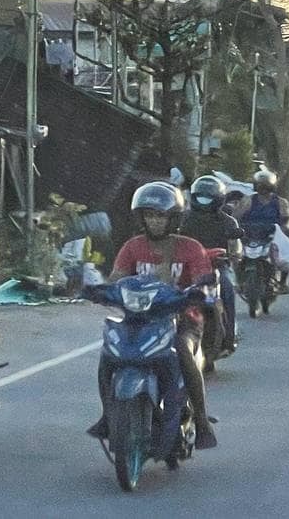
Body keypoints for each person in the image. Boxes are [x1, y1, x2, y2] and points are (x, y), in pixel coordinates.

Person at [88, 182, 217, 449]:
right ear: (141, 218)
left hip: (183, 320)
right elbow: (117, 279)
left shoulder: (191, 248)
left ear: (174, 218)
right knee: (109, 353)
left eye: (161, 216)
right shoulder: (132, 247)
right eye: (150, 215)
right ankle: (108, 414)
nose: (155, 221)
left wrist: (199, 292)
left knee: (181, 350)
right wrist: (100, 290)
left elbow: (204, 283)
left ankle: (202, 423)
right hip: (139, 320)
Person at [180, 175, 241, 353]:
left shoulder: (229, 221)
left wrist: (233, 254)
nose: (204, 202)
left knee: (227, 287)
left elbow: (235, 247)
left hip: (217, 267)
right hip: (186, 268)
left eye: (208, 198)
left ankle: (228, 335)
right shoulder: (183, 219)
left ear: (219, 199)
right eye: (200, 197)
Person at [234, 170, 289, 294]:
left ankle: (283, 283)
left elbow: (288, 218)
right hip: (249, 234)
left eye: (266, 186)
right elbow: (236, 216)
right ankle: (239, 281)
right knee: (236, 255)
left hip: (272, 234)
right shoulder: (248, 200)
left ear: (272, 186)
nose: (263, 189)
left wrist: (284, 228)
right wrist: (235, 227)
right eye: (260, 186)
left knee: (286, 255)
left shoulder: (280, 202)